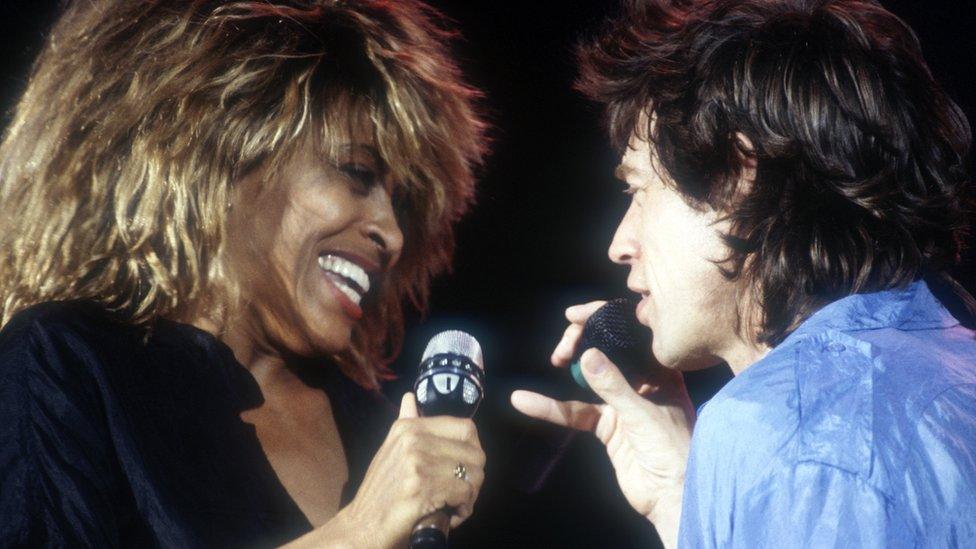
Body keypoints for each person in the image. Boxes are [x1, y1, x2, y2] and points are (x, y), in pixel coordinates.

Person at [0, 1, 488, 547]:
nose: (392, 235)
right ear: (224, 152)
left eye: (400, 206)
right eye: (357, 173)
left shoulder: (385, 427)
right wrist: (359, 531)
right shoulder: (66, 365)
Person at [512, 0, 976, 546]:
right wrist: (684, 498)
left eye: (637, 190)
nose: (620, 245)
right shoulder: (951, 359)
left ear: (739, 177)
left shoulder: (783, 425)